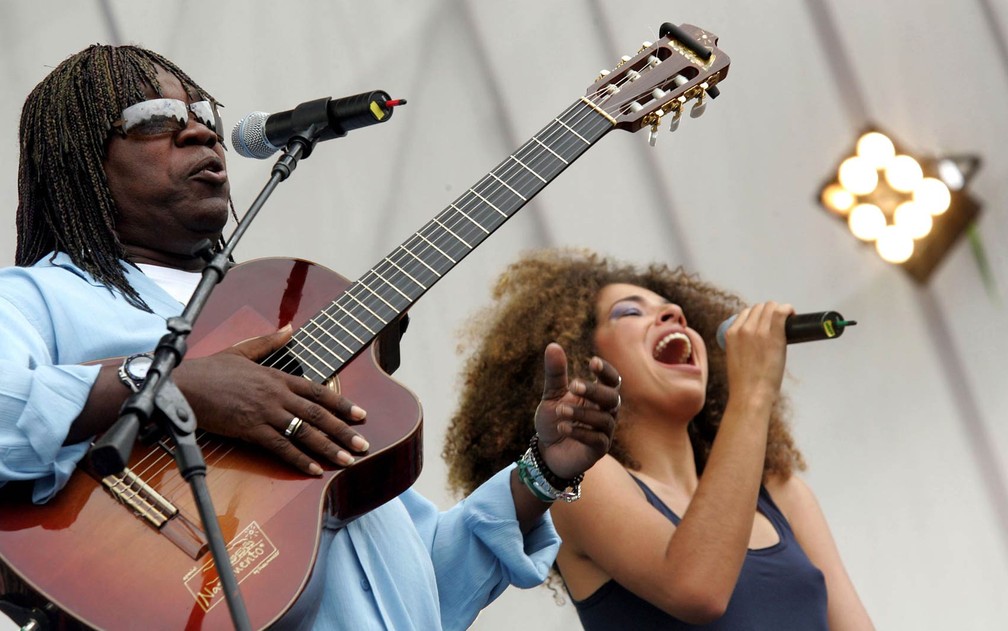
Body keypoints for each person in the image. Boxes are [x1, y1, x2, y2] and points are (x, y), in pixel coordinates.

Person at [0, 45, 620, 630]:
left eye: (201, 113)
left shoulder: (271, 309)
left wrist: (540, 475)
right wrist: (170, 384)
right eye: (156, 116)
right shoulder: (38, 299)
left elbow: (412, 587)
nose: (200, 131)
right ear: (77, 159)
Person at [444, 248, 875, 630]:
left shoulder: (783, 495)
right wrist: (755, 392)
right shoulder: (581, 482)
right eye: (630, 313)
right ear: (584, 359)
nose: (674, 316)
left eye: (675, 311)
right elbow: (696, 589)